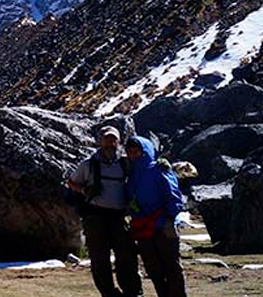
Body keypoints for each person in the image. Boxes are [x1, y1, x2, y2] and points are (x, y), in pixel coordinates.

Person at [68, 126, 142, 297]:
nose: (110, 143)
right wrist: (84, 190)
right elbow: (71, 183)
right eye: (107, 139)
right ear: (99, 141)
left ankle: (132, 292)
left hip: (118, 217)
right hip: (95, 217)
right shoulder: (88, 164)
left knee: (127, 256)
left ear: (119, 142)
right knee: (99, 259)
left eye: (113, 140)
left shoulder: (125, 163)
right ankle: (109, 293)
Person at [126, 136, 188, 297]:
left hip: (162, 225)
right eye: (130, 152)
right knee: (153, 268)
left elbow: (173, 194)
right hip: (143, 228)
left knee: (171, 267)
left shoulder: (159, 169)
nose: (133, 155)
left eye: (136, 151)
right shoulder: (131, 174)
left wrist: (170, 218)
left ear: (145, 151)